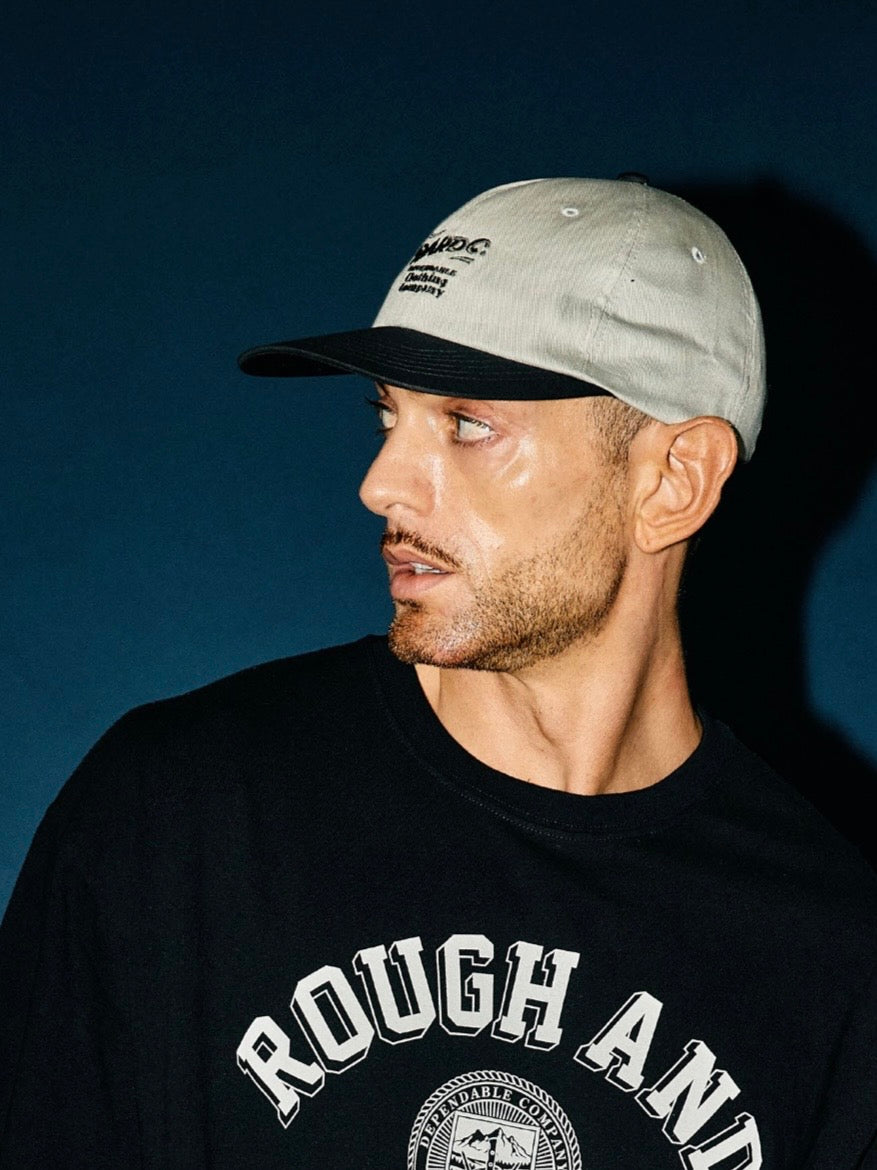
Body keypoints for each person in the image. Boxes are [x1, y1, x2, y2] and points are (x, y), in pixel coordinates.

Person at [1, 175, 874, 1169]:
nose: (380, 486)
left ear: (673, 480)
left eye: (465, 425)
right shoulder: (180, 818)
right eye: (388, 417)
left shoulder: (828, 950)